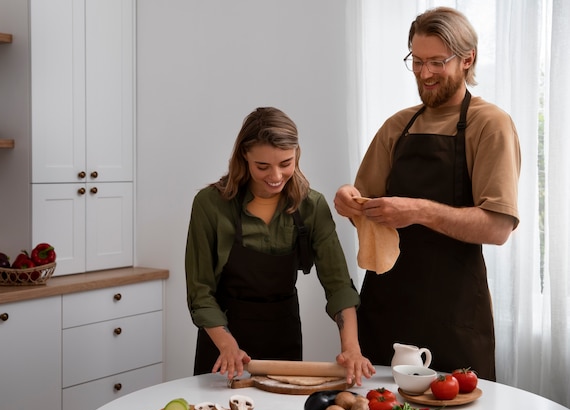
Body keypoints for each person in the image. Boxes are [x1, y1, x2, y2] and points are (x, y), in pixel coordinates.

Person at [334, 7, 520, 381]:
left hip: (454, 316)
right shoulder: (397, 126)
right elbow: (363, 205)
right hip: (385, 310)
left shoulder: (490, 125)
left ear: (468, 59)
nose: (424, 73)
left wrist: (418, 210)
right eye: (416, 61)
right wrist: (347, 199)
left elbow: (498, 227)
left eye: (437, 62)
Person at [186, 106, 375, 385]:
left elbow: (338, 286)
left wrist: (352, 348)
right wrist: (227, 345)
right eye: (263, 166)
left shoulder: (312, 206)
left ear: (297, 155)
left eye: (285, 163)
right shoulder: (210, 205)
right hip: (223, 343)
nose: (275, 175)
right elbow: (200, 292)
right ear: (244, 157)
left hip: (283, 337)